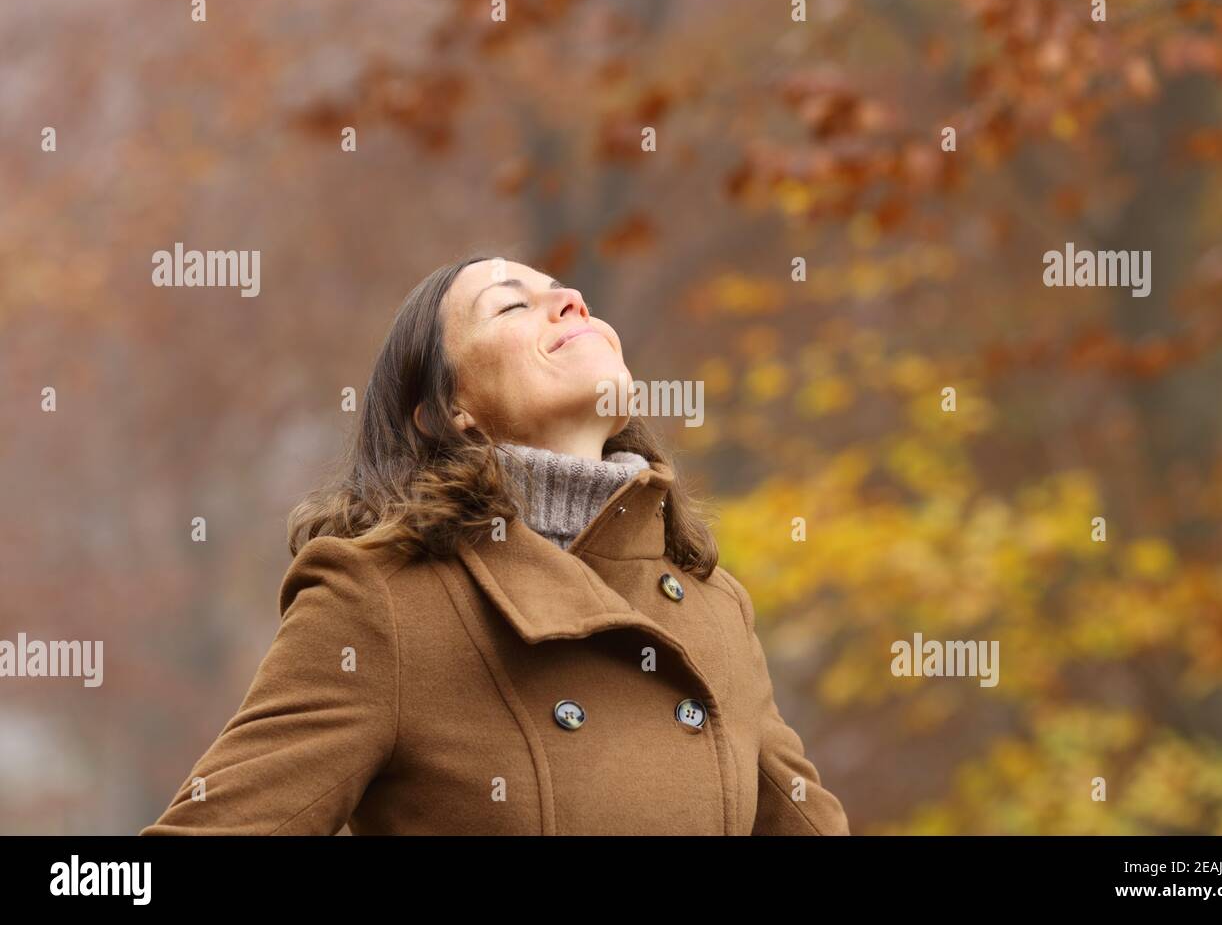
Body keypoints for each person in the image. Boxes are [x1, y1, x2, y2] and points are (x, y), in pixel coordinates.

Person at [140, 255, 851, 835]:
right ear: (450, 410)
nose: (570, 299)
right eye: (513, 305)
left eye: (567, 293)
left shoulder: (712, 607)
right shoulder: (384, 604)